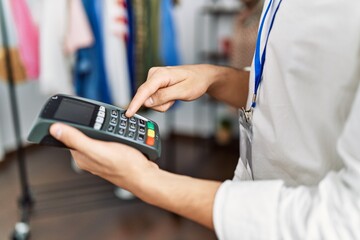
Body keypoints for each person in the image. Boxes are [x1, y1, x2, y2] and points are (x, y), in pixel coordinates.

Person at [49, 0, 360, 239]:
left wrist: (147, 181)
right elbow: (294, 86)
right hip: (256, 202)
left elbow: (344, 221)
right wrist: (214, 77)